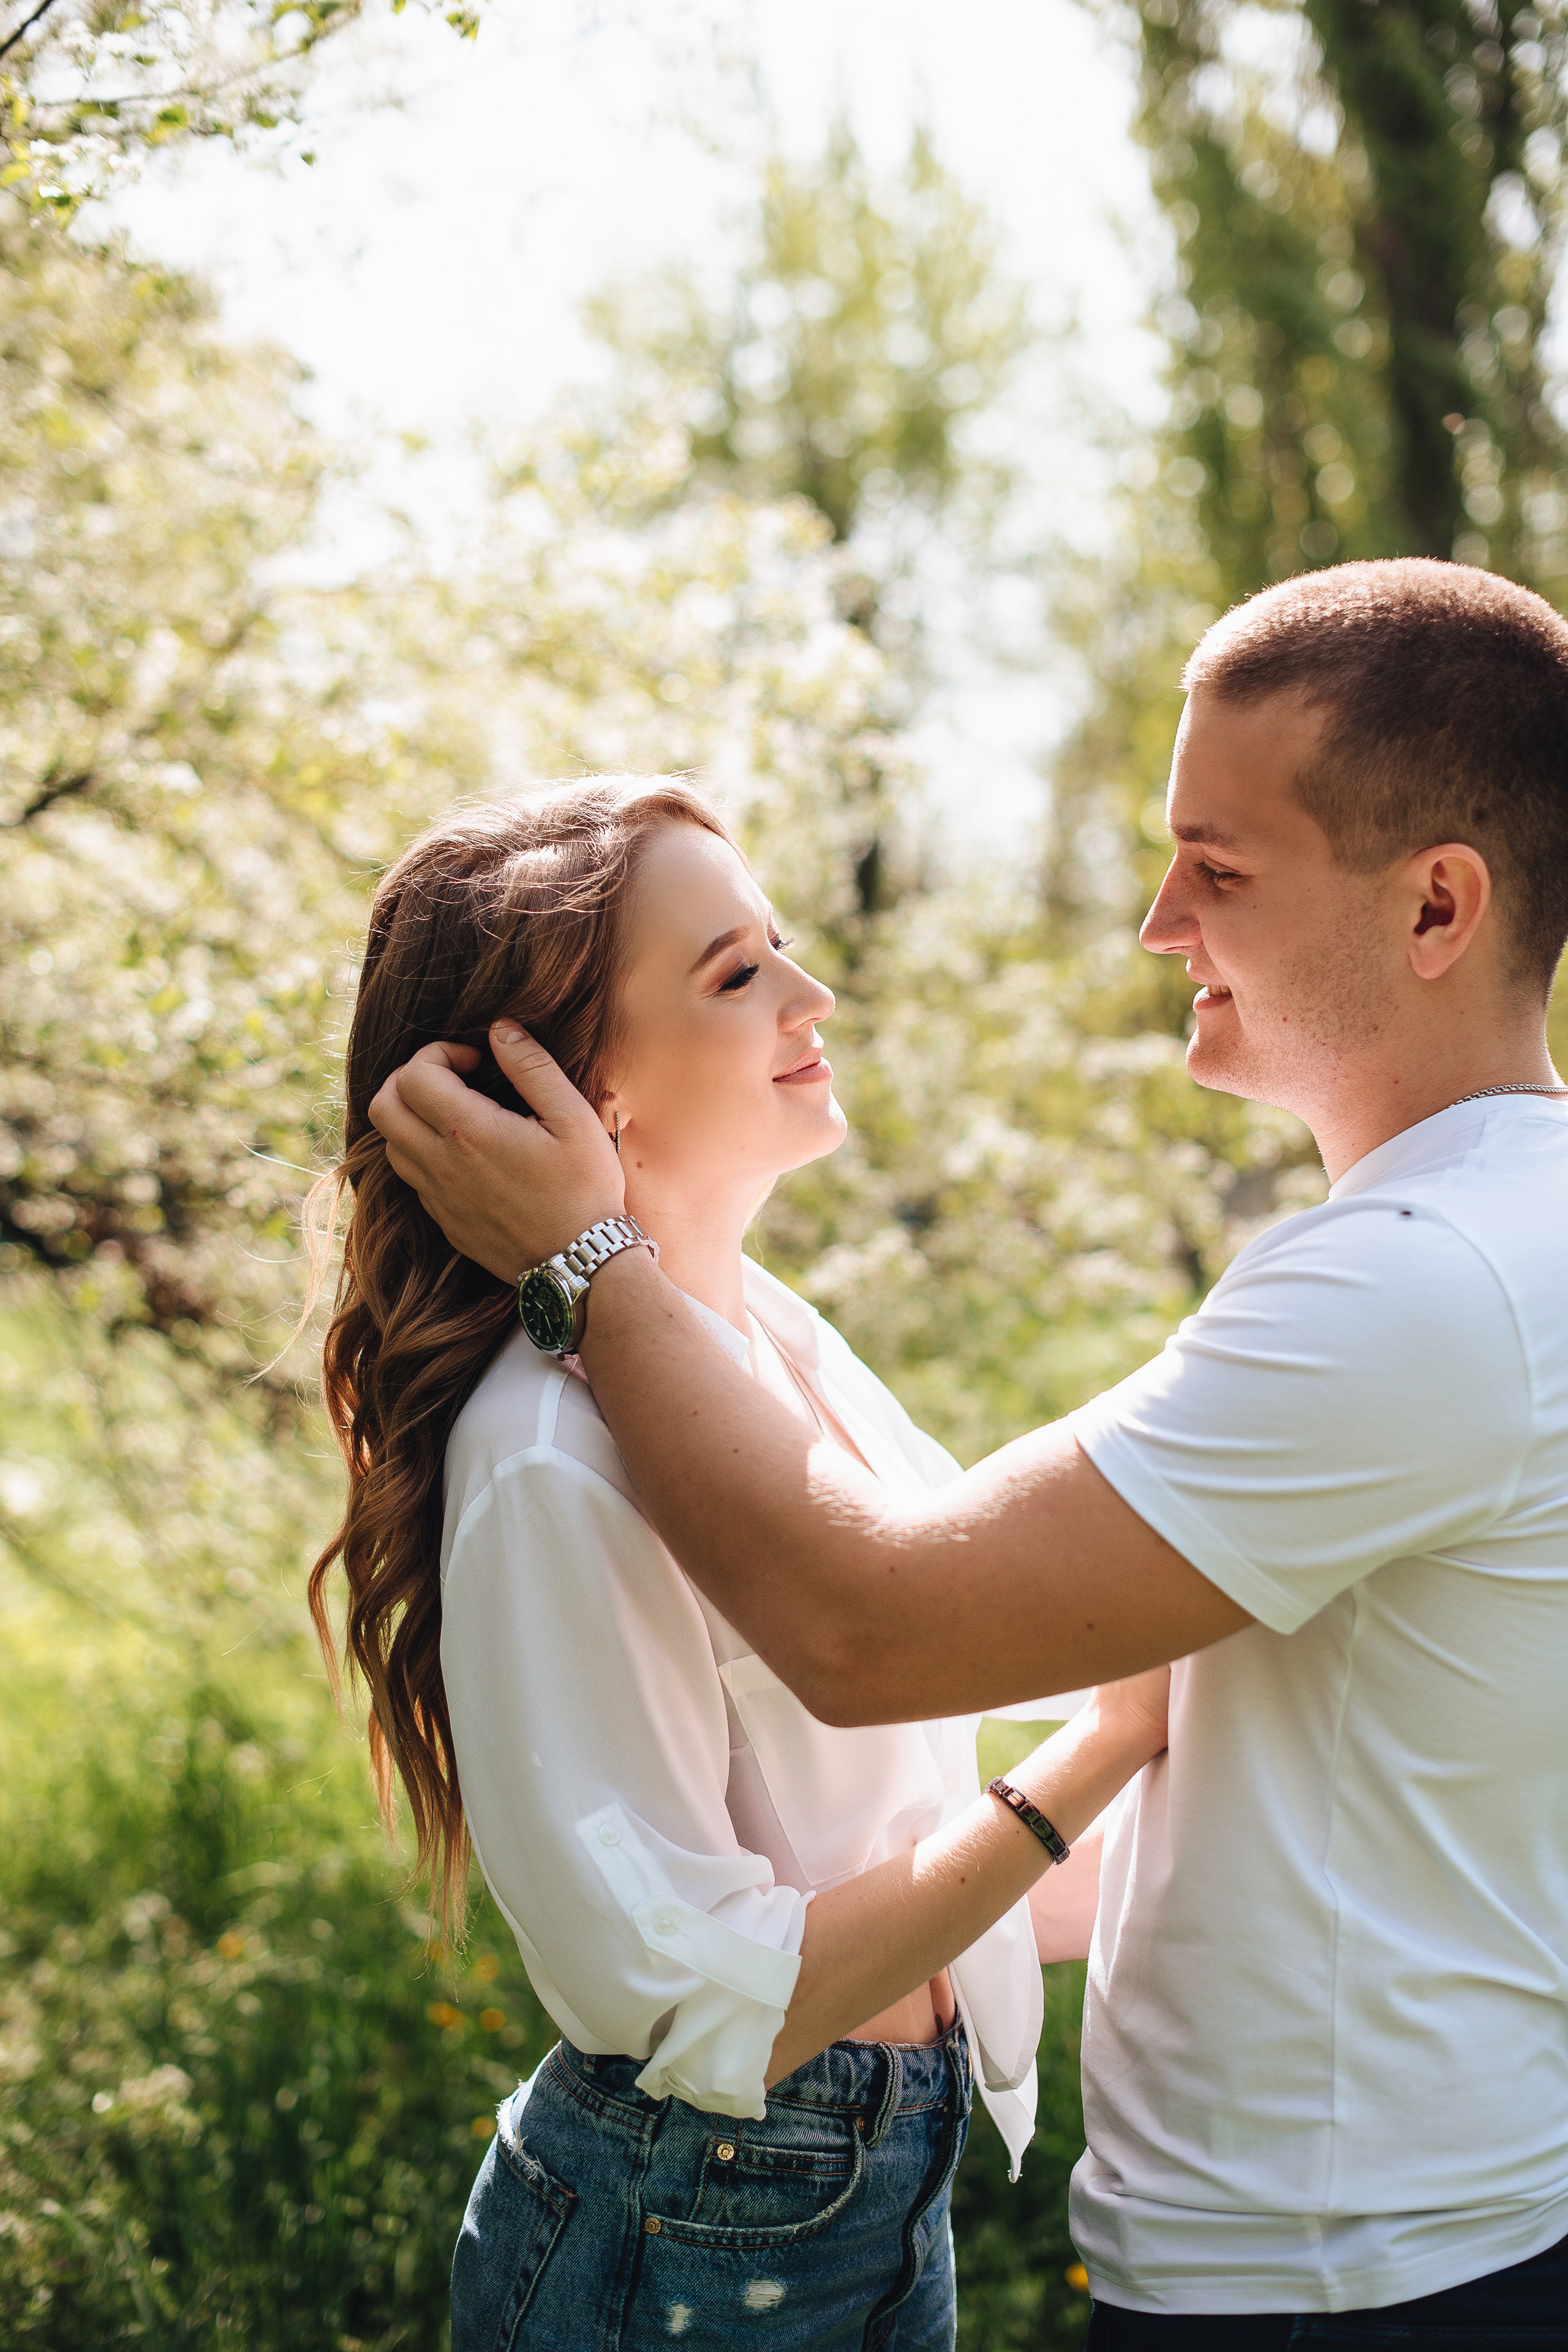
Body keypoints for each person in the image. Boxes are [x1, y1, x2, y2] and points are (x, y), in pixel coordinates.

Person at [371, 559, 1568, 2346]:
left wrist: (580, 1261)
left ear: (1437, 908)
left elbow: (870, 1631)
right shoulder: (1467, 1242)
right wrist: (1069, 1793)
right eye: (738, 965)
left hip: (1351, 2270)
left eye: (1218, 869)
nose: (1160, 923)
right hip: (774, 2227)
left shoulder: (1425, 1283)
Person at [305, 780, 1169, 2352]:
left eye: (778, 946)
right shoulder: (548, 1457)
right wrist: (1094, 1759)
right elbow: (707, 2000)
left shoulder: (774, 1339)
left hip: (852, 2182)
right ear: (584, 1090)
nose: (811, 994)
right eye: (733, 972)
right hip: (688, 2225)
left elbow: (882, 1822)